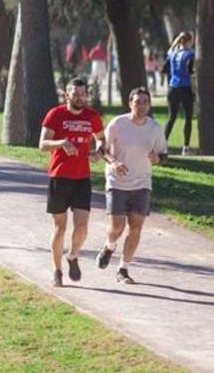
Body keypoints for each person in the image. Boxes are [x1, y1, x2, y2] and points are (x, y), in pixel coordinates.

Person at [95, 87, 168, 284]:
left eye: (145, 102)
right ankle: (109, 246)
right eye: (137, 102)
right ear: (130, 104)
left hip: (142, 184)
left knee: (136, 228)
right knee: (117, 228)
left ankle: (123, 269)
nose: (141, 106)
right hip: (117, 183)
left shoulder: (154, 128)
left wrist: (157, 158)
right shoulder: (118, 124)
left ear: (149, 105)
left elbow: (164, 155)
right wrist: (113, 162)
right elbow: (103, 150)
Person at [39, 77, 105, 287]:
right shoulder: (56, 114)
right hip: (59, 177)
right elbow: (42, 144)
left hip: (82, 179)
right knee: (59, 228)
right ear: (67, 94)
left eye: (83, 94)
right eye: (75, 94)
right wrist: (62, 143)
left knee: (82, 228)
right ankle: (57, 271)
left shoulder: (92, 116)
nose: (80, 98)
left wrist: (100, 150)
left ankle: (73, 256)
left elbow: (101, 138)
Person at [164, 32, 196, 152]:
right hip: (185, 88)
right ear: (189, 41)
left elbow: (165, 69)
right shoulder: (190, 54)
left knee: (171, 117)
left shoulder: (172, 53)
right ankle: (185, 148)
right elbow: (190, 70)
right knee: (188, 117)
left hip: (172, 87)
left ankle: (162, 144)